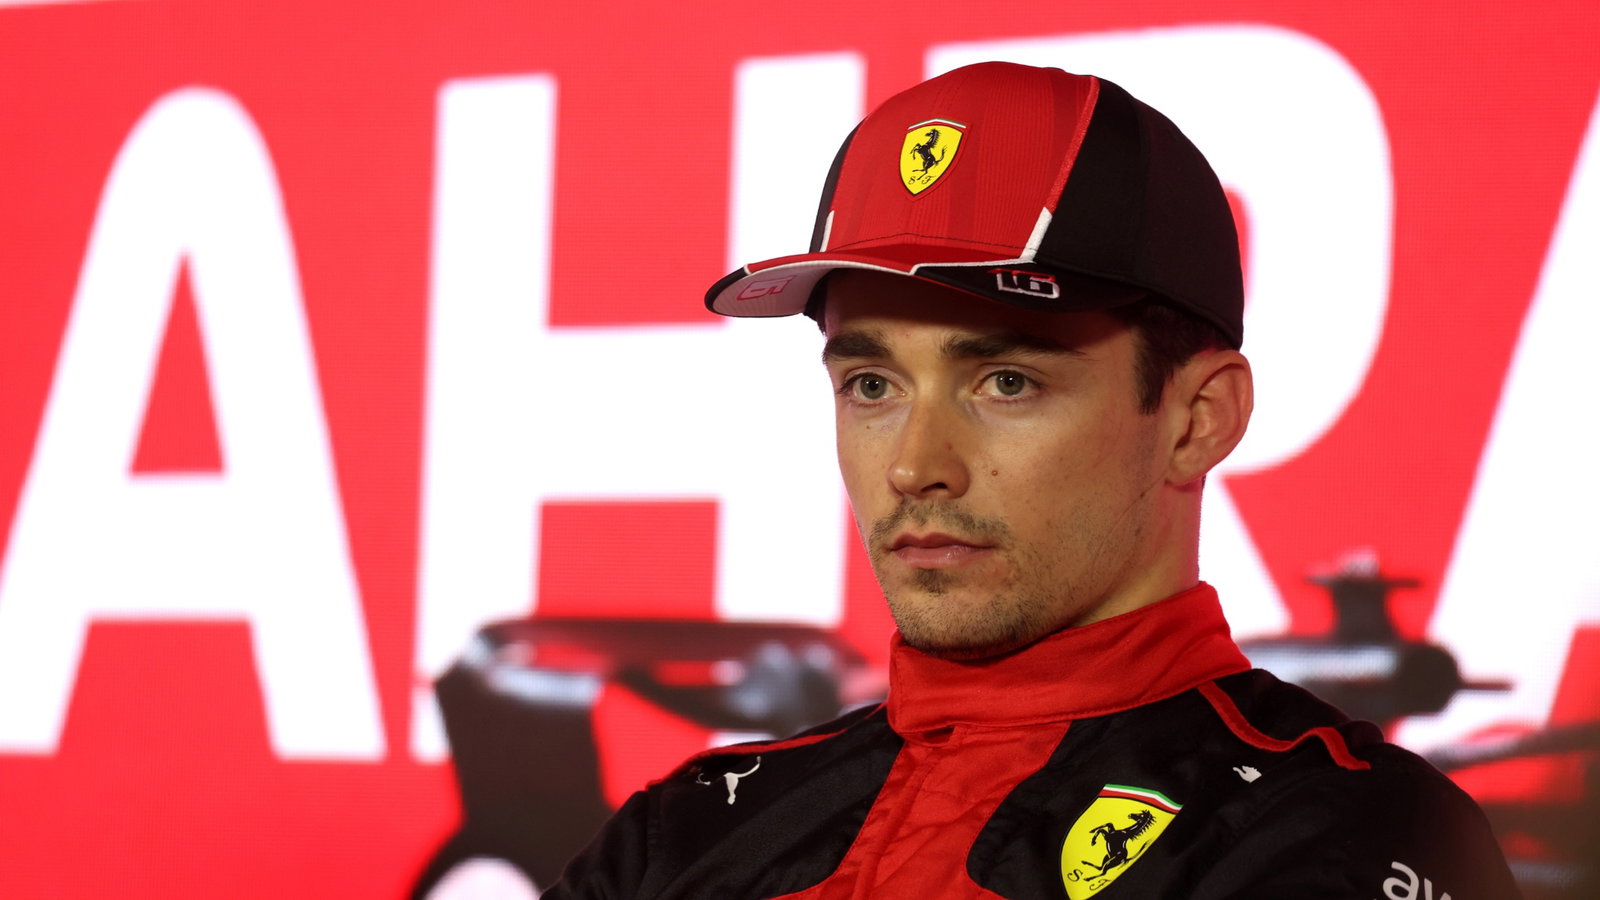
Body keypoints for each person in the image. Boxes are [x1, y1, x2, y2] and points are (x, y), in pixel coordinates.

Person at [546, 61, 1520, 899]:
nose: (915, 466)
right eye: (873, 385)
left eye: (1006, 382)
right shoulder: (684, 833)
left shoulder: (1345, 829)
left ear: (1197, 420)